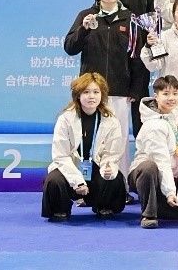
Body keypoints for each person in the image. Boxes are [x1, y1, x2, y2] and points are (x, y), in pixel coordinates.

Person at [64, 0, 149, 141]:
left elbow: (137, 58)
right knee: (89, 139)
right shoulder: (86, 15)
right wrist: (83, 29)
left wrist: (135, 89)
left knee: (118, 141)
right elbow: (70, 48)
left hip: (120, 91)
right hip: (91, 91)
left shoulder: (130, 19)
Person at [41, 72, 128, 222]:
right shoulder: (65, 119)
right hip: (71, 168)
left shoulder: (111, 121)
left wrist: (108, 168)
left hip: (96, 169)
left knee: (115, 178)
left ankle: (104, 206)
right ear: (78, 95)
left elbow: (112, 153)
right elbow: (61, 156)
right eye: (86, 92)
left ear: (102, 95)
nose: (91, 96)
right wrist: (77, 181)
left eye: (96, 92)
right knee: (54, 180)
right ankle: (60, 210)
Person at [127, 75, 178, 228]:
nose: (171, 98)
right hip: (145, 176)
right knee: (149, 167)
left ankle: (159, 205)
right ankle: (149, 214)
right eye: (166, 94)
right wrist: (170, 192)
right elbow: (161, 161)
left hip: (167, 174)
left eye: (174, 94)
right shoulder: (155, 126)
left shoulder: (171, 115)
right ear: (156, 97)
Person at [142, 0, 178, 95]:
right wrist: (148, 47)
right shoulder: (164, 37)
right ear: (174, 15)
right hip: (170, 95)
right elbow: (154, 66)